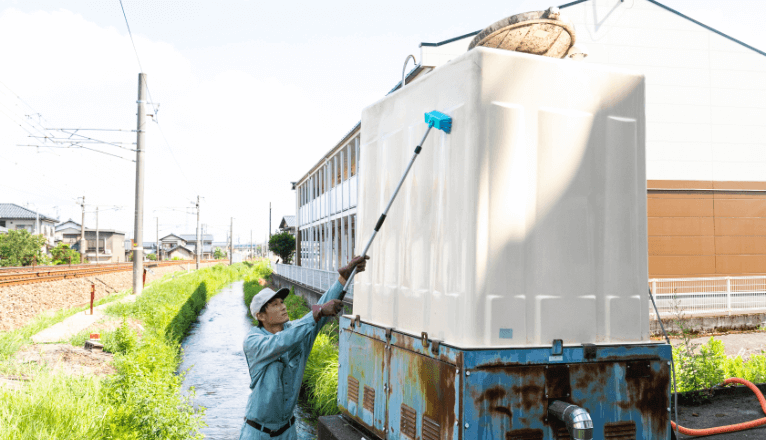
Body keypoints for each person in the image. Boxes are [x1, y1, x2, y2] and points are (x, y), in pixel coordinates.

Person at [239, 255, 369, 440]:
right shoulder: (253, 341)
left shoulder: (297, 329)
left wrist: (344, 278)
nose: (283, 307)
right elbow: (280, 342)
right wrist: (318, 312)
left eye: (282, 302)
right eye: (275, 305)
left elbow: (318, 312)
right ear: (260, 316)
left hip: (288, 432)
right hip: (257, 433)